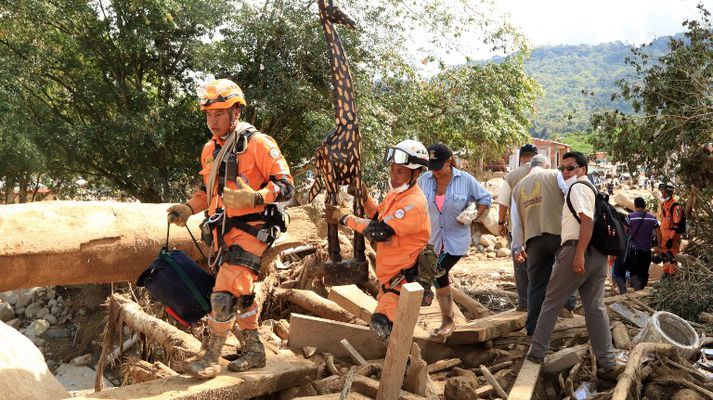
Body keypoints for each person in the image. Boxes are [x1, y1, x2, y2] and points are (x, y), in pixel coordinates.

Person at [166, 79, 294, 378]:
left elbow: (287, 187)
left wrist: (258, 196)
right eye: (209, 114)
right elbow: (206, 190)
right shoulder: (210, 149)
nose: (213, 120)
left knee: (223, 294)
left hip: (252, 231)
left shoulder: (259, 144)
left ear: (236, 112)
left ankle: (210, 358)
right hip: (222, 234)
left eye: (220, 114)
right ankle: (254, 350)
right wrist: (188, 208)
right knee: (241, 294)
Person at [526, 152, 622, 380]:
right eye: (562, 169)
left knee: (551, 302)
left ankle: (536, 353)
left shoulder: (578, 188)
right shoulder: (593, 190)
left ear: (583, 169)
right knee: (595, 308)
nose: (565, 172)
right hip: (598, 257)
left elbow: (586, 221)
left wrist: (578, 254)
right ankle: (608, 363)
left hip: (578, 251)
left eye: (570, 168)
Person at [326, 139, 430, 341]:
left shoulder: (414, 203)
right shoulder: (396, 195)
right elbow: (378, 218)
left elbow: (380, 231)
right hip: (389, 281)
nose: (394, 176)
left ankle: (403, 365)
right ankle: (402, 366)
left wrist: (344, 217)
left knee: (382, 324)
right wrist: (365, 199)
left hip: (402, 284)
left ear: (416, 173)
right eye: (392, 169)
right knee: (391, 332)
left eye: (400, 171)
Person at [418, 143, 492, 338]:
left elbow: (485, 198)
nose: (435, 171)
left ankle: (447, 320)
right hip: (432, 239)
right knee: (439, 275)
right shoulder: (424, 180)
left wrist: (474, 215)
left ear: (449, 161)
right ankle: (447, 320)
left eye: (438, 166)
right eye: (431, 166)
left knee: (436, 271)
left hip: (455, 239)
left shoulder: (465, 180)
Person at [510, 154, 576, 335]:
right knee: (567, 272)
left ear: (530, 167)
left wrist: (517, 247)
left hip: (533, 241)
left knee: (536, 284)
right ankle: (567, 307)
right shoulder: (554, 174)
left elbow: (515, 222)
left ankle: (533, 326)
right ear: (547, 165)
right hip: (558, 234)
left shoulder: (518, 187)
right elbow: (570, 194)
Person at [497, 143, 538, 311]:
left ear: (521, 158)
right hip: (540, 229)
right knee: (541, 266)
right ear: (536, 156)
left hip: (518, 230)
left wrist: (501, 223)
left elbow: (503, 202)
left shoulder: (512, 176)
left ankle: (525, 303)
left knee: (521, 268)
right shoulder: (549, 174)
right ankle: (541, 304)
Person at [612, 197, 662, 293]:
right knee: (643, 271)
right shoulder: (652, 218)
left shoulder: (630, 217)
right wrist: (659, 248)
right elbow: (659, 233)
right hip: (647, 251)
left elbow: (624, 233)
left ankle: (636, 289)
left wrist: (621, 247)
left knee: (634, 271)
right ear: (644, 206)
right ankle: (641, 289)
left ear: (635, 206)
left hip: (633, 251)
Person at [659, 182, 685, 275]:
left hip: (672, 238)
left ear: (669, 192)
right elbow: (663, 222)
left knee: (672, 257)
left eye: (664, 192)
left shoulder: (675, 206)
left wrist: (670, 238)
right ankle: (667, 277)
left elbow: (676, 224)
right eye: (662, 192)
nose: (662, 194)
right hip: (664, 237)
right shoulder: (664, 205)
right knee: (664, 257)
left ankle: (674, 277)